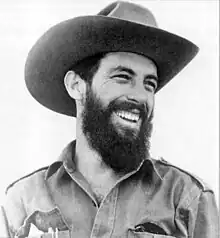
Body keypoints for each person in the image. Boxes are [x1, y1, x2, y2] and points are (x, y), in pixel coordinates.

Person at [0, 1, 218, 238]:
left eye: (149, 84)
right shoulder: (23, 201)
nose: (139, 96)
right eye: (122, 77)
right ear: (77, 86)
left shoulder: (186, 198)